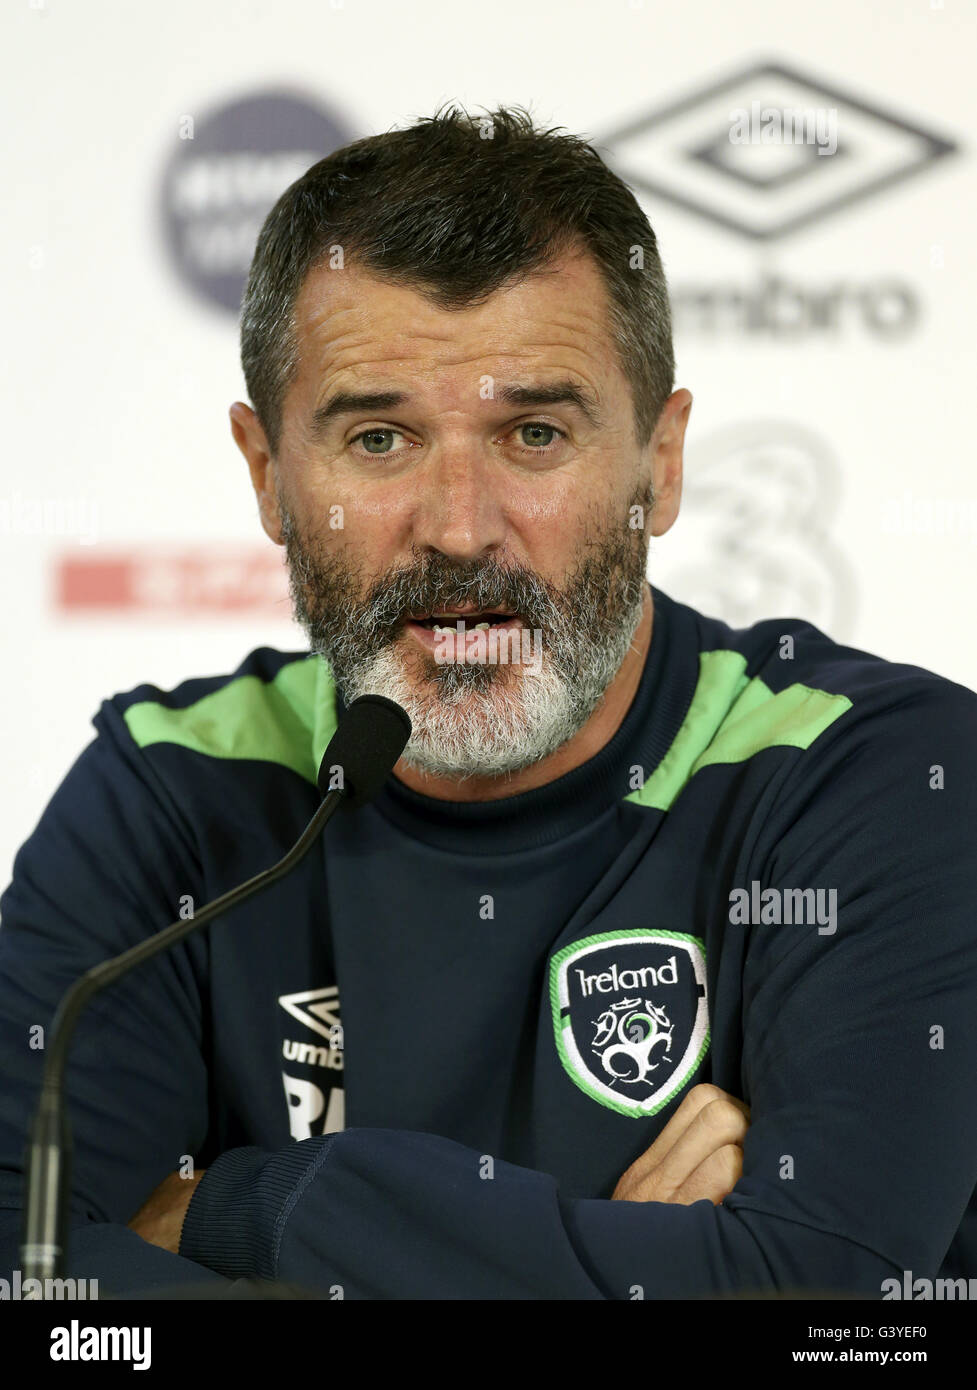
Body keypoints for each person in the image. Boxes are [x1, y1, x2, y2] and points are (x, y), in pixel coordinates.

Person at [1, 104, 975, 1300]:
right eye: (377, 438)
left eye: (532, 431)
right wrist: (608, 1261)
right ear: (267, 475)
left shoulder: (872, 773)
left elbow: (819, 1301)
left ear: (657, 466)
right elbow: (28, 1272)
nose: (459, 527)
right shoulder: (172, 783)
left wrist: (255, 1208)